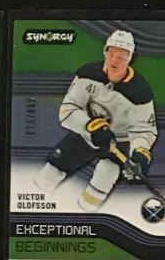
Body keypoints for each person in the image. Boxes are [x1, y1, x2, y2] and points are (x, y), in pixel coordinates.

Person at [33, 28, 157, 212]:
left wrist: (140, 152)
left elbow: (144, 130)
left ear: (130, 58)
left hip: (119, 142)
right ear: (105, 52)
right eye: (111, 53)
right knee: (49, 173)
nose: (115, 60)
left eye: (121, 56)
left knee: (107, 173)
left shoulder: (140, 91)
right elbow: (67, 110)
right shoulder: (87, 74)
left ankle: (85, 215)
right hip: (88, 133)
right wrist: (90, 125)